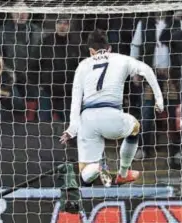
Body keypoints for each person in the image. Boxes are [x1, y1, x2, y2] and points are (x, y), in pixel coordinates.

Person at [60, 30, 164, 186]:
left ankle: (97, 166)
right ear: (109, 48)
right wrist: (159, 99)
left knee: (84, 175)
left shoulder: (83, 65)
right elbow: (147, 70)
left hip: (87, 119)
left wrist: (71, 129)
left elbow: (75, 101)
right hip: (112, 116)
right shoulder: (120, 59)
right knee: (134, 126)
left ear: (91, 51)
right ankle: (123, 173)